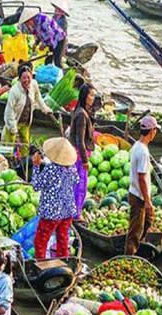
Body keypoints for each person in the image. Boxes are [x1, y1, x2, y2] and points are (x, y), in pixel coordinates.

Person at [31, 137, 79, 260]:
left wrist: (36, 167)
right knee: (62, 240)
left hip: (52, 212)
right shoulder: (71, 168)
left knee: (40, 242)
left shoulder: (51, 169)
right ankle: (63, 262)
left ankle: (41, 265)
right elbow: (76, 181)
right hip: (67, 211)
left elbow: (36, 186)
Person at [125, 115, 158, 255]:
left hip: (134, 192)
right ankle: (129, 256)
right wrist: (147, 200)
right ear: (152, 132)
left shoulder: (137, 146)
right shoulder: (143, 151)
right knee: (135, 230)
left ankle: (138, 248)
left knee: (147, 221)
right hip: (139, 196)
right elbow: (142, 178)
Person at [3, 64, 53, 157]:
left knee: (25, 143)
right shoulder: (15, 91)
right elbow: (10, 111)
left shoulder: (34, 84)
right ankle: (8, 161)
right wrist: (13, 128)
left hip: (26, 121)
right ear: (19, 78)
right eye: (24, 78)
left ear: (31, 77)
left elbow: (38, 97)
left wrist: (45, 108)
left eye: (28, 77)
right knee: (10, 144)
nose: (26, 80)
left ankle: (24, 159)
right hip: (14, 120)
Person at [68, 83, 96, 218]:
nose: (93, 98)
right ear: (85, 96)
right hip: (79, 156)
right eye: (91, 95)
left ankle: (74, 211)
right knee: (80, 186)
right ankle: (75, 214)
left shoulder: (83, 111)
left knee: (78, 185)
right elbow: (80, 140)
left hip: (79, 155)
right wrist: (85, 160)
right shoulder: (81, 115)